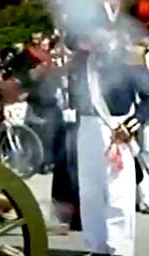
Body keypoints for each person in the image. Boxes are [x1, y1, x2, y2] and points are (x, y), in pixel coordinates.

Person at [69, 27, 149, 256]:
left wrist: (132, 125)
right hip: (86, 126)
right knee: (89, 191)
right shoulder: (80, 61)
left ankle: (120, 249)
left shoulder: (128, 58)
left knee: (118, 193)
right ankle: (97, 247)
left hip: (115, 128)